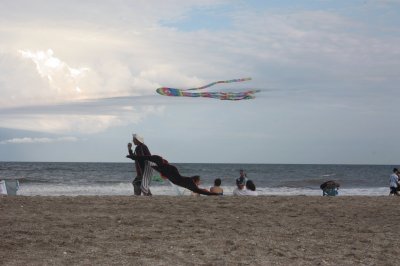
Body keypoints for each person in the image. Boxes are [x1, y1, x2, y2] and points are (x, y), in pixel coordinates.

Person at [126, 154, 220, 196]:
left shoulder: (165, 167)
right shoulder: (162, 167)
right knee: (199, 190)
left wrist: (133, 157)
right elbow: (146, 158)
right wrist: (132, 156)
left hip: (181, 179)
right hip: (180, 179)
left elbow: (146, 158)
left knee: (199, 191)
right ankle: (214, 194)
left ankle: (214, 194)